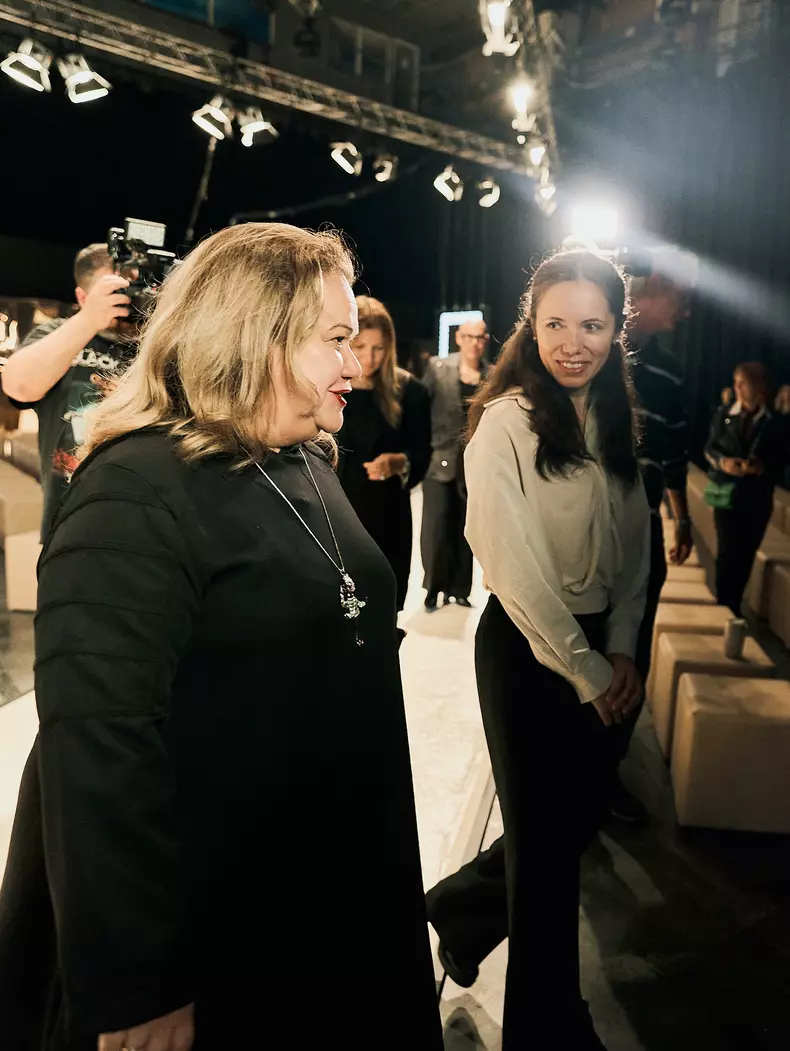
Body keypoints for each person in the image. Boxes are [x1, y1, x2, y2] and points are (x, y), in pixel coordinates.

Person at [0, 224, 442, 1051]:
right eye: (334, 340)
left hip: (313, 872)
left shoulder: (302, 456)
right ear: (257, 339)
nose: (354, 363)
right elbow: (96, 742)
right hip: (211, 904)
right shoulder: (134, 490)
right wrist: (140, 983)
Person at [430, 251, 649, 1050]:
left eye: (592, 324)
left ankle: (461, 908)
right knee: (546, 861)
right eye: (555, 323)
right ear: (532, 324)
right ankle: (548, 1025)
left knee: (569, 824)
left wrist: (620, 648)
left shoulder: (614, 420)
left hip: (605, 648)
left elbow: (635, 551)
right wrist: (585, 667)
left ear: (616, 329)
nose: (571, 342)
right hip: (528, 652)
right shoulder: (507, 422)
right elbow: (511, 564)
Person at [607, 258, 695, 823]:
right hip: (586, 526)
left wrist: (681, 520)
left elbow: (676, 454)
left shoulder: (671, 372)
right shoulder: (594, 348)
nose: (684, 315)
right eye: (680, 301)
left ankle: (606, 772)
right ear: (652, 287)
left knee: (632, 654)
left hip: (644, 527)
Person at [0, 243, 137, 539]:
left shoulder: (155, 345)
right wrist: (89, 320)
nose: (125, 299)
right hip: (70, 524)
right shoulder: (59, 335)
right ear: (83, 297)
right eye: (113, 291)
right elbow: (18, 387)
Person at [337, 296, 431, 613]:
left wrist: (400, 462)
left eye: (379, 348)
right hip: (336, 515)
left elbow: (423, 451)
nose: (369, 357)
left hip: (386, 515)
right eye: (360, 346)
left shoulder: (410, 392)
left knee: (383, 609)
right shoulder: (329, 389)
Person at [705, 361, 787, 614]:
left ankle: (733, 604)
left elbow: (783, 460)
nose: (737, 388)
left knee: (746, 554)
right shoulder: (724, 413)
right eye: (736, 382)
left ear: (758, 387)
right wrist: (724, 463)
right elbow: (709, 448)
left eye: (743, 383)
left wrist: (762, 467)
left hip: (757, 497)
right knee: (727, 550)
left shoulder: (775, 422)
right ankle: (723, 605)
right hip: (726, 494)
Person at [420, 318, 488, 611]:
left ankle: (460, 589)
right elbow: (421, 409)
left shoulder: (491, 375)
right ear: (459, 338)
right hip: (439, 457)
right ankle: (433, 587)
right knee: (435, 528)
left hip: (473, 462)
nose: (475, 342)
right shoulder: (438, 368)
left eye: (480, 337)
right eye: (469, 336)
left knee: (466, 527)